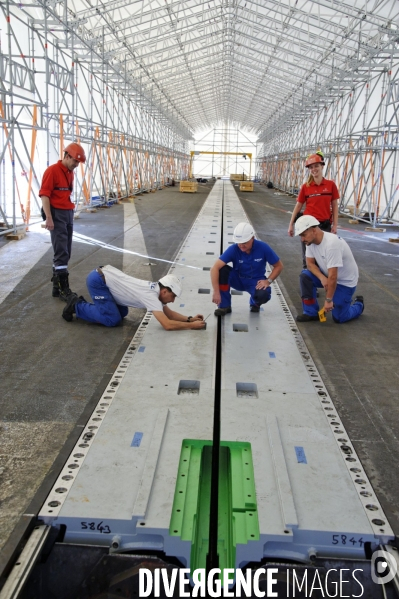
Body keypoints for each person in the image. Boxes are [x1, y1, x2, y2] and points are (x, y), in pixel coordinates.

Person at [62, 266, 206, 330]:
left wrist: (190, 318)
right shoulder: (151, 296)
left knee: (123, 313)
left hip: (106, 276)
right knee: (112, 320)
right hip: (98, 281)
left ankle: (98, 306)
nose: (173, 300)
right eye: (173, 296)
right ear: (164, 291)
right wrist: (190, 326)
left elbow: (170, 314)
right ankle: (76, 305)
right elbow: (167, 324)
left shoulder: (156, 290)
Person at [39, 143, 86, 301]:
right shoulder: (52, 171)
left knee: (66, 251)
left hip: (67, 213)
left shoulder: (69, 172)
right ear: (67, 156)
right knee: (61, 252)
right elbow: (45, 195)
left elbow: (65, 194)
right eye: (75, 161)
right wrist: (49, 217)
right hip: (56, 214)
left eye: (78, 163)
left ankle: (56, 288)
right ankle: (63, 288)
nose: (76, 165)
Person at [295, 215, 364, 323]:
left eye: (303, 235)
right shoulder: (310, 242)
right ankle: (310, 312)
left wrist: (328, 300)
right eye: (300, 236)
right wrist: (322, 278)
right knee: (305, 276)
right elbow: (310, 264)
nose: (302, 239)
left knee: (340, 318)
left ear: (314, 230)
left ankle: (359, 305)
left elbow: (333, 276)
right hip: (328, 275)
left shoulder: (331, 244)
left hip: (345, 282)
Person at [210, 222, 283, 315]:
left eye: (244, 242)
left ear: (252, 238)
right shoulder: (234, 249)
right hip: (238, 279)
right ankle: (224, 306)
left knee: (263, 295)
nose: (241, 246)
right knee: (222, 270)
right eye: (239, 243)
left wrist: (268, 281)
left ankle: (255, 303)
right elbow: (214, 268)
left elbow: (279, 266)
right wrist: (216, 292)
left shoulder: (263, 247)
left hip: (255, 282)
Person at [288, 152, 339, 268]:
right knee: (308, 258)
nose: (314, 169)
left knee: (325, 256)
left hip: (325, 226)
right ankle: (307, 280)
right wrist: (291, 224)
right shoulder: (305, 187)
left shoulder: (331, 185)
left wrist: (335, 225)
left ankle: (324, 281)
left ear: (322, 166)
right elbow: (298, 206)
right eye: (311, 167)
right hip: (308, 227)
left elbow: (335, 206)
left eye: (316, 166)